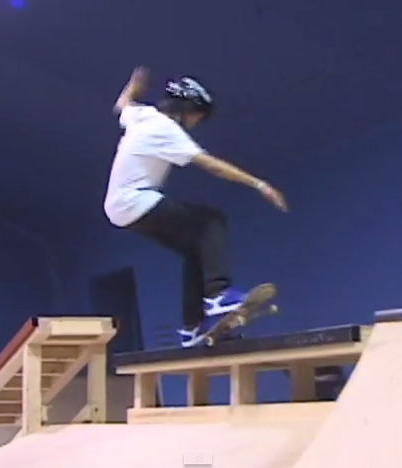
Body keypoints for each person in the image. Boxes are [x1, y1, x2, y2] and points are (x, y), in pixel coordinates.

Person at [104, 67, 288, 348]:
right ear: (185, 109)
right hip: (136, 200)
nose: (195, 123)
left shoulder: (142, 116)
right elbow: (212, 165)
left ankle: (192, 326)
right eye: (196, 116)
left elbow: (122, 104)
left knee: (194, 250)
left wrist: (134, 84)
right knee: (211, 222)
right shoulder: (165, 128)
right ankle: (218, 295)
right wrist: (259, 184)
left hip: (120, 210)